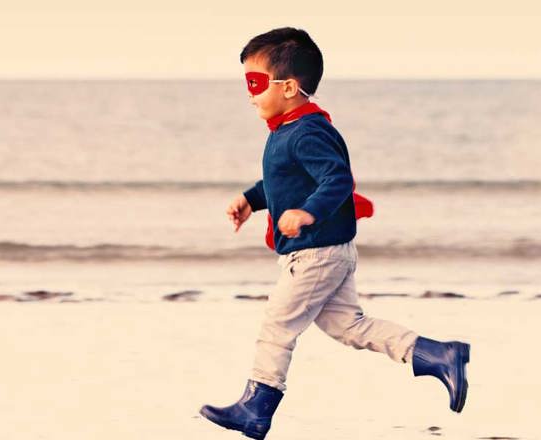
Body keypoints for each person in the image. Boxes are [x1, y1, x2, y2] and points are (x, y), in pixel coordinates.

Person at [199, 27, 470, 440]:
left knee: (278, 324)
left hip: (315, 253)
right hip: (329, 251)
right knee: (348, 327)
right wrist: (250, 200)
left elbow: (337, 179)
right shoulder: (290, 130)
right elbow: (282, 180)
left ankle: (257, 407)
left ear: (289, 87)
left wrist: (308, 213)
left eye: (254, 83)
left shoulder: (306, 132)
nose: (248, 92)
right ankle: (436, 354)